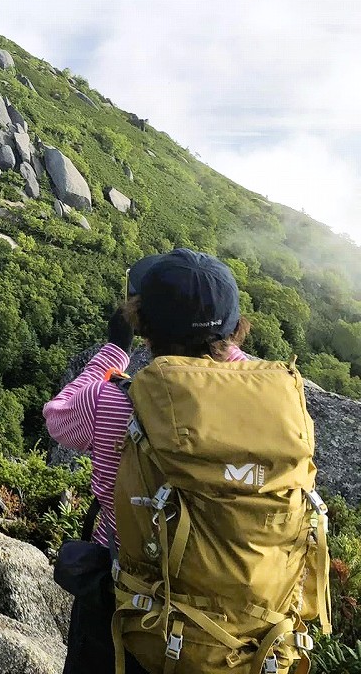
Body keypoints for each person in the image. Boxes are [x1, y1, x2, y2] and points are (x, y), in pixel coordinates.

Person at [44, 249, 250, 674]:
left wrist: (114, 352)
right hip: (231, 626)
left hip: (126, 606)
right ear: (233, 331)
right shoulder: (269, 407)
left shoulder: (115, 402)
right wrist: (228, 355)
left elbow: (58, 418)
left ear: (144, 325)